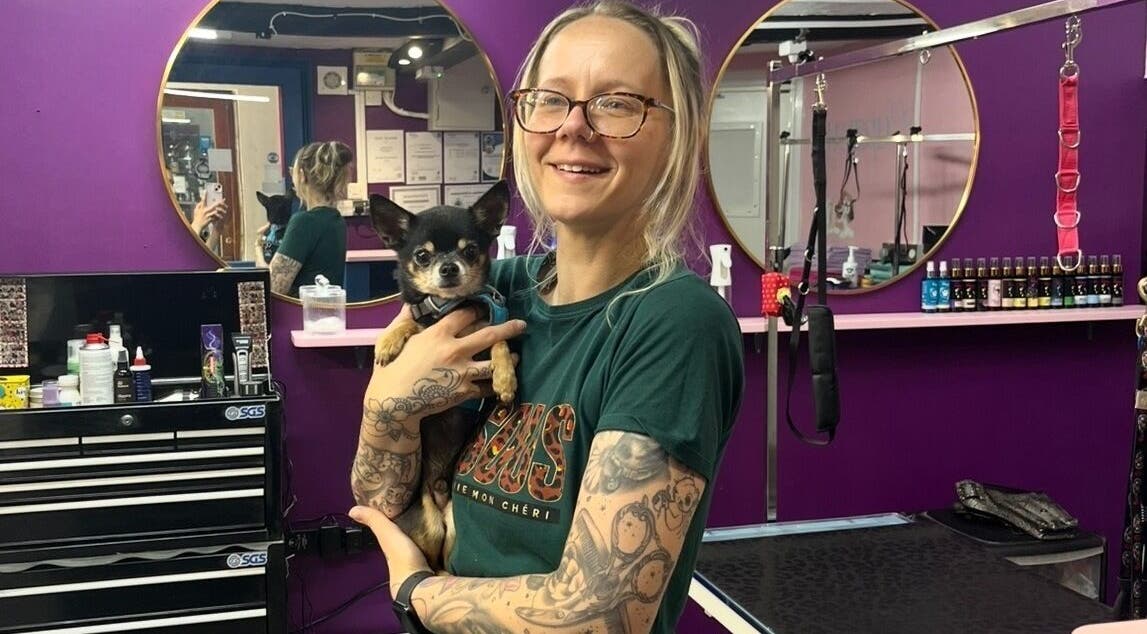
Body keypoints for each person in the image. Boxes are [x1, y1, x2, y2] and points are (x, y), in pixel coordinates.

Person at [349, 2, 744, 633]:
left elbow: (599, 617)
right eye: (551, 99)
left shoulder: (674, 323)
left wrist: (417, 594)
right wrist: (386, 406)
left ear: (680, 135)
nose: (574, 127)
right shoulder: (498, 291)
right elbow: (380, 501)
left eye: (617, 103)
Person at [258, 141, 350, 296]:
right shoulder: (336, 219)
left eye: (292, 172)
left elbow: (273, 288)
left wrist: (258, 248)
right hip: (326, 314)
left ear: (301, 176)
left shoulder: (304, 222)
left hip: (300, 316)